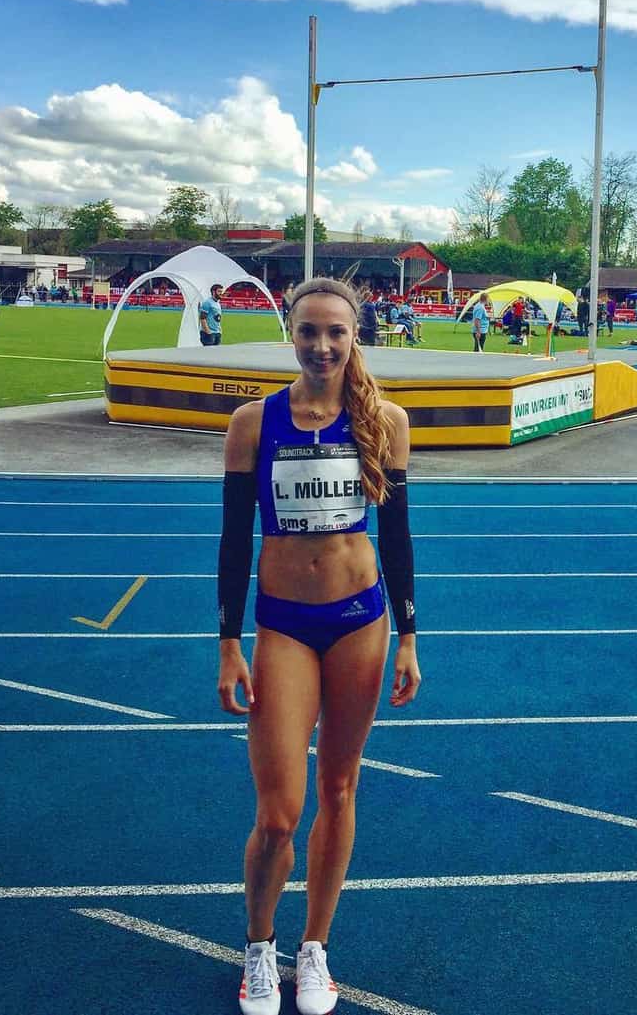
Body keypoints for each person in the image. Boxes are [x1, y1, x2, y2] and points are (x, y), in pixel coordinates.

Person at [217, 277, 421, 1015]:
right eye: (309, 331)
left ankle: (314, 948)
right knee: (278, 812)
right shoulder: (252, 422)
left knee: (339, 787)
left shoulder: (384, 420)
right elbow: (234, 538)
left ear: (354, 335)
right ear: (291, 335)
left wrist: (408, 634)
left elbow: (395, 536)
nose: (323, 345)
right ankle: (259, 948)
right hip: (283, 625)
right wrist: (227, 642)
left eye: (337, 332)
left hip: (360, 621)